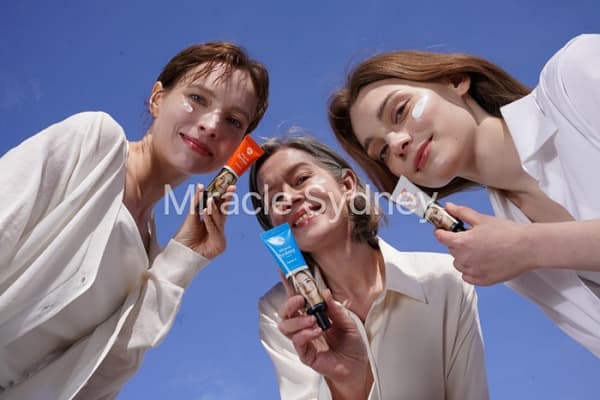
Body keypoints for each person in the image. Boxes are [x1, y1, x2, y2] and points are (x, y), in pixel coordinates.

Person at [0, 42, 269, 399]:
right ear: (158, 98)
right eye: (198, 98)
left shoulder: (149, 254)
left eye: (234, 121)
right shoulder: (94, 141)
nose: (211, 125)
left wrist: (184, 258)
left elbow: (99, 380)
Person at [328, 34, 600, 357]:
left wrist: (528, 246)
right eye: (382, 151)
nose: (397, 144)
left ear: (456, 80)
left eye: (400, 111)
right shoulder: (518, 268)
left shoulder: (576, 73)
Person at [249, 136, 488, 399]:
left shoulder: (444, 279)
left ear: (347, 185)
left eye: (302, 179)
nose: (289, 198)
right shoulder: (281, 313)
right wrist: (349, 384)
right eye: (274, 198)